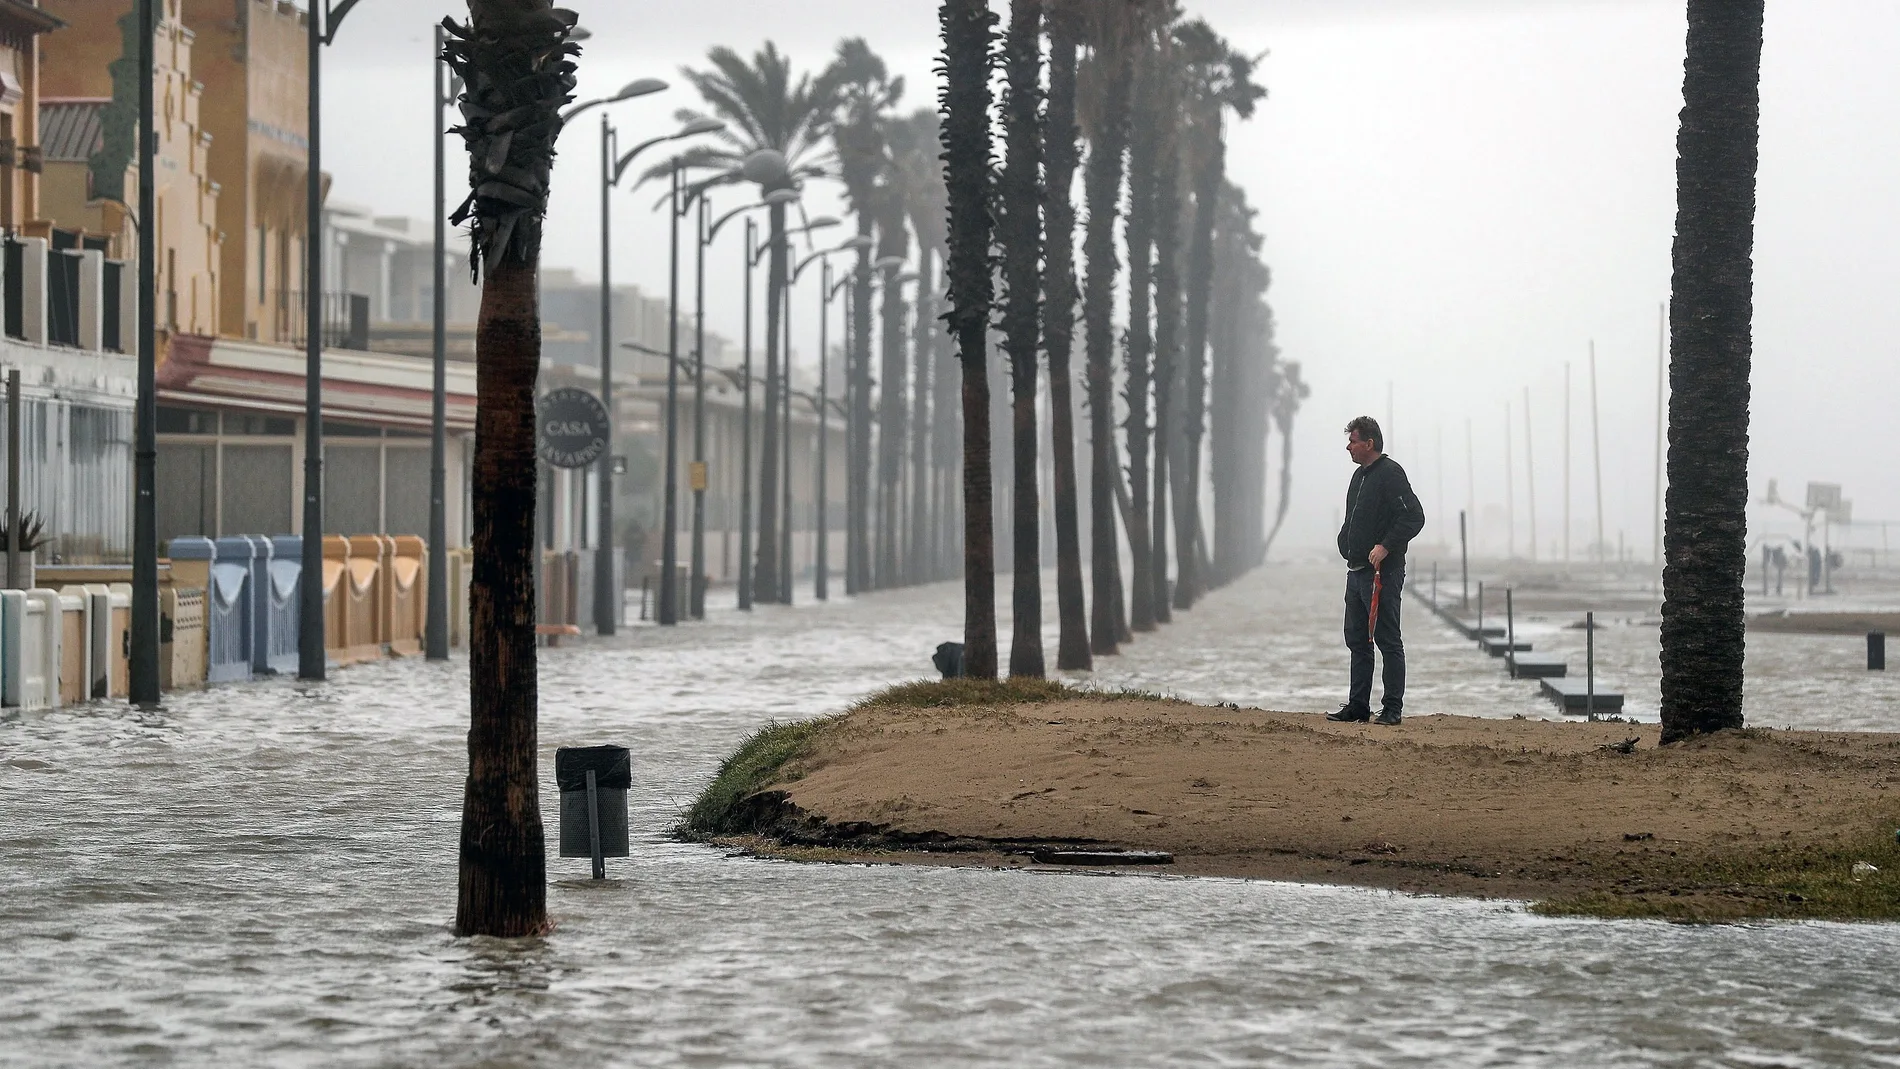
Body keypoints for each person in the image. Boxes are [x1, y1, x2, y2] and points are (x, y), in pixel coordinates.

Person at [1328, 416, 1424, 725]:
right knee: (1357, 640)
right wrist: (1345, 542)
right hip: (1355, 571)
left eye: (1353, 440)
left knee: (1387, 638)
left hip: (1383, 573)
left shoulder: (1391, 474)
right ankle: (1358, 706)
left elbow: (1413, 517)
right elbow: (1351, 518)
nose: (1348, 446)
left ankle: (1392, 708)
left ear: (1369, 443)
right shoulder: (1358, 477)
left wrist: (1385, 546)